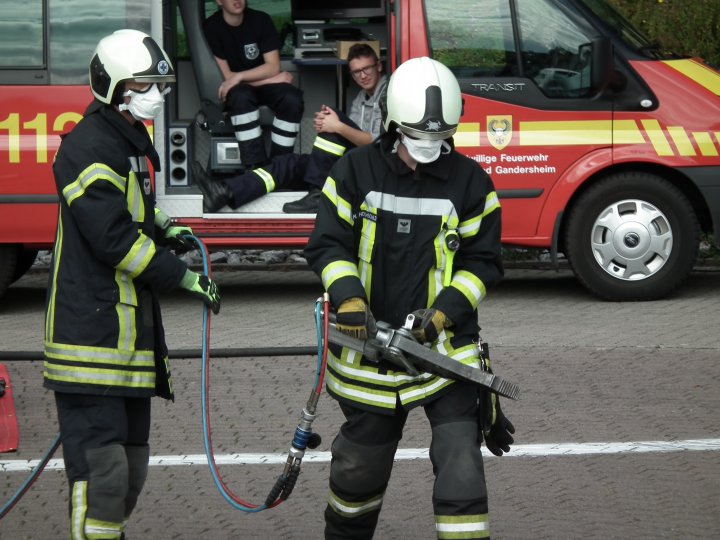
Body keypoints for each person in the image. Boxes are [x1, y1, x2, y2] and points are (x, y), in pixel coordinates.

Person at [304, 57, 515, 539]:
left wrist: (444, 314)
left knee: (461, 464)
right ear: (394, 124)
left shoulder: (471, 182)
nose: (429, 149)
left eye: (439, 139)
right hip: (369, 353)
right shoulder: (353, 171)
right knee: (358, 472)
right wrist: (349, 298)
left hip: (444, 352)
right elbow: (327, 244)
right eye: (419, 137)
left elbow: (483, 263)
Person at [43, 29, 221, 539]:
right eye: (148, 84)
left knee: (131, 472)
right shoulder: (87, 147)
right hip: (90, 345)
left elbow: (131, 211)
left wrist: (164, 225)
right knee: (104, 479)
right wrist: (182, 277)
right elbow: (113, 239)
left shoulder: (123, 143)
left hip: (126, 345)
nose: (159, 94)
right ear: (117, 88)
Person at [192, 43, 388, 214]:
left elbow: (376, 143)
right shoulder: (360, 99)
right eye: (356, 71)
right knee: (286, 163)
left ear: (378, 65)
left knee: (334, 118)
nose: (362, 76)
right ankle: (224, 192)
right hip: (352, 163)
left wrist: (336, 126)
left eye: (367, 69)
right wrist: (335, 126)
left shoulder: (387, 95)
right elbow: (351, 139)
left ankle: (319, 194)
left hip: (372, 169)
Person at [204, 0, 304, 168]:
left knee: (292, 99)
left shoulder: (261, 20)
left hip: (255, 84)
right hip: (237, 90)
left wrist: (240, 76)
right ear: (219, 1)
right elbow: (228, 77)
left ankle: (280, 167)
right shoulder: (212, 27)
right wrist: (272, 79)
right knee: (241, 96)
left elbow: (273, 66)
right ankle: (256, 170)